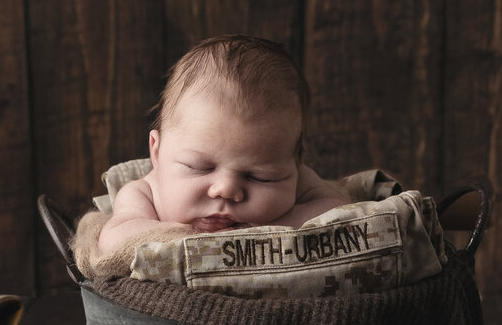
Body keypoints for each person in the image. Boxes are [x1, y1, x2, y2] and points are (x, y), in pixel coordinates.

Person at [97, 36, 350, 254]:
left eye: (259, 177)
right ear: (157, 152)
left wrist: (269, 231)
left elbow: (342, 212)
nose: (226, 190)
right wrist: (193, 239)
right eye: (200, 167)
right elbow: (113, 239)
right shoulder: (144, 193)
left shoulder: (298, 182)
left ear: (295, 164)